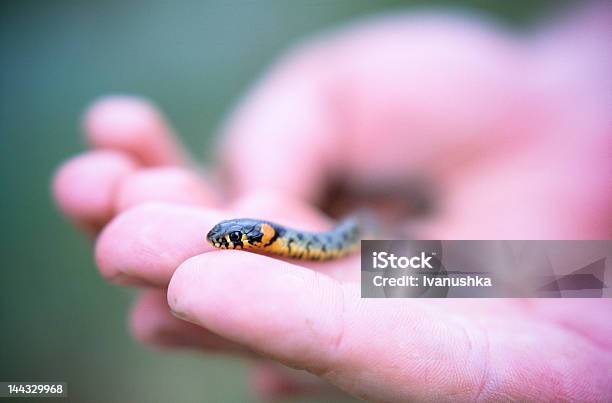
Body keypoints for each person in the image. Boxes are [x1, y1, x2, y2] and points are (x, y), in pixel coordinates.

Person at [53, 8, 612, 402]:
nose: (231, 244)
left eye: (237, 238)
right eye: (231, 240)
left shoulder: (317, 237)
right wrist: (566, 81)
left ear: (264, 238)